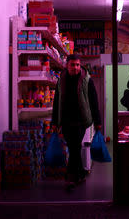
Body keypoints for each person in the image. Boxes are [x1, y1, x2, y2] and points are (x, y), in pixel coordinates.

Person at [51, 53, 102, 190]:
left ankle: (70, 178)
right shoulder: (61, 80)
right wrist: (55, 122)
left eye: (78, 65)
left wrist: (98, 121)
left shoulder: (87, 79)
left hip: (81, 119)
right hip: (66, 120)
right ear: (67, 66)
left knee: (74, 147)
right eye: (72, 65)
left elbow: (93, 100)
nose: (75, 67)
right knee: (75, 147)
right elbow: (57, 102)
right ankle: (80, 175)